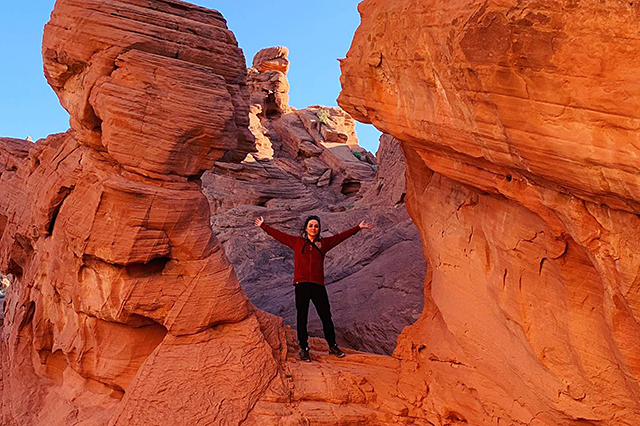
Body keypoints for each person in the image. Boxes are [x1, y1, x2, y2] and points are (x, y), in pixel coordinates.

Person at [255, 215, 374, 362]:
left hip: (318, 285)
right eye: (311, 225)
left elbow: (340, 237)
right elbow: (280, 236)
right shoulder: (297, 242)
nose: (313, 228)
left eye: (316, 226)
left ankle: (333, 346)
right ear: (306, 228)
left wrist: (358, 227)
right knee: (302, 317)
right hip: (301, 285)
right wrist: (263, 226)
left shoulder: (323, 244)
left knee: (326, 317)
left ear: (319, 229)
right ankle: (304, 349)